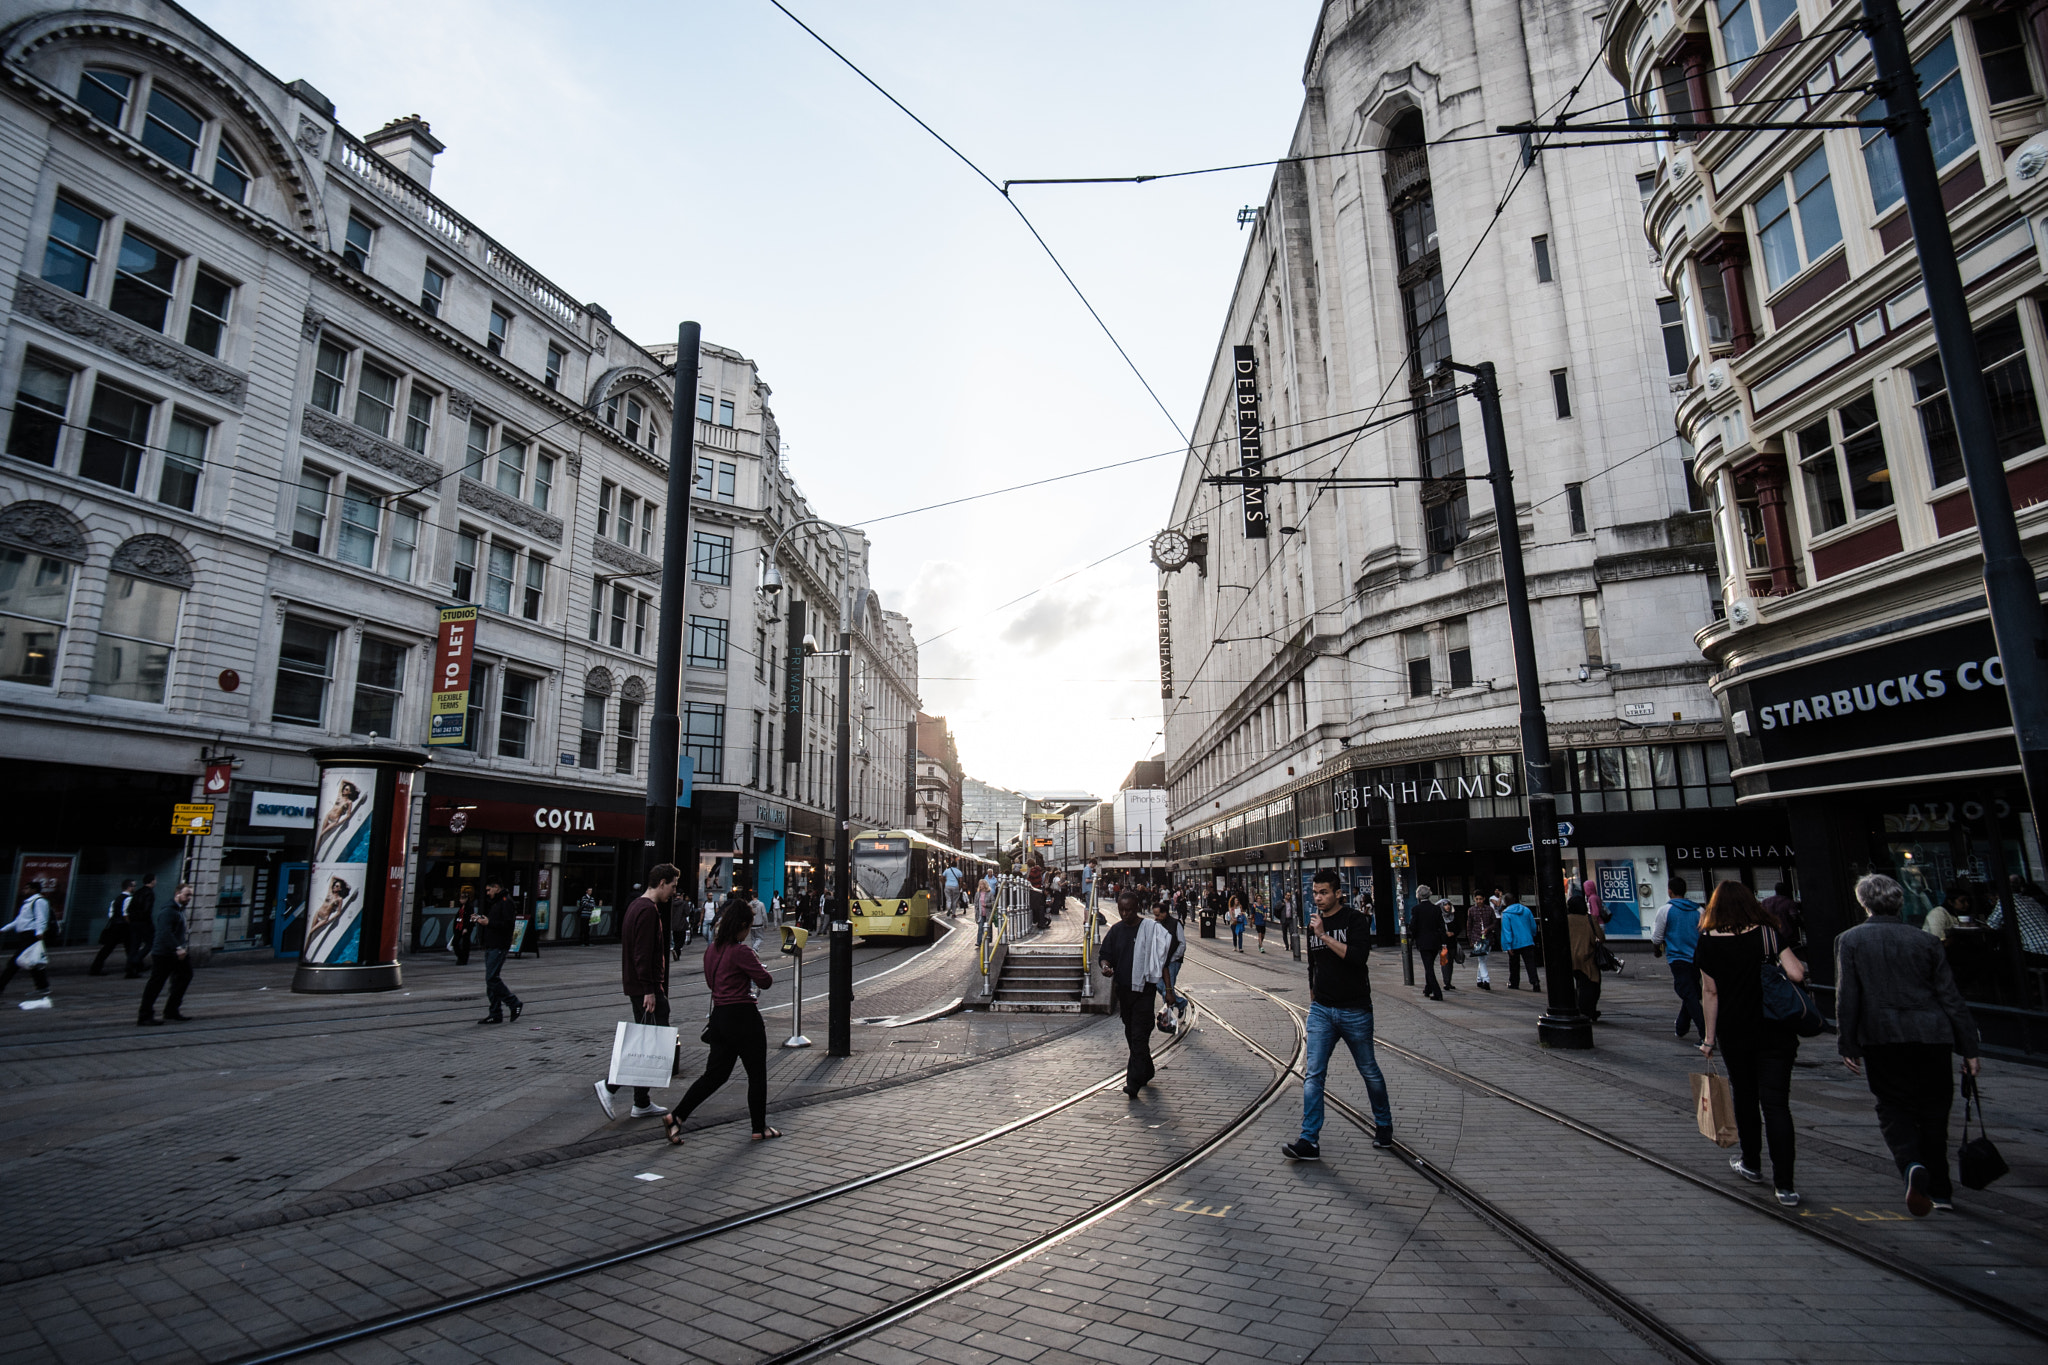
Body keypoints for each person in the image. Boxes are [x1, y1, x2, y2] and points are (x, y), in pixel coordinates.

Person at [1836, 873, 1982, 1217]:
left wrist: (1848, 1042)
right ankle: (1941, 1190)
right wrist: (1969, 1049)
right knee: (1934, 1109)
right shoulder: (1925, 941)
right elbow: (1950, 997)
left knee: (1892, 1106)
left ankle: (1911, 1162)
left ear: (1864, 903)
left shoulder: (1851, 940)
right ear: (1899, 903)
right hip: (1932, 1035)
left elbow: (1848, 997)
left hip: (1882, 1036)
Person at [1696, 880, 1805, 1207]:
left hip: (1735, 1030)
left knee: (1744, 1096)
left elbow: (1710, 993)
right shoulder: (1769, 934)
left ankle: (1751, 1163)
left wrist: (1708, 1039)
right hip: (1774, 1029)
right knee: (1777, 1104)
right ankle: (1785, 1185)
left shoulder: (1707, 942)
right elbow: (1797, 974)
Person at [1284, 868, 1395, 1159]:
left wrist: (1324, 935)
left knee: (1369, 1070)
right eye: (1315, 892)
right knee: (1313, 1074)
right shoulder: (1314, 925)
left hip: (1355, 1010)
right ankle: (1309, 1140)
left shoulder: (1355, 920)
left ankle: (1383, 1124)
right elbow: (1313, 965)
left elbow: (1358, 958)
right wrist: (1312, 994)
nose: (1318, 898)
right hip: (1322, 1010)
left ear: (1337, 893)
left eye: (1324, 892)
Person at [662, 898, 778, 1144]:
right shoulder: (742, 951)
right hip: (745, 1018)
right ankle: (759, 1127)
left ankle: (677, 1116)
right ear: (743, 926)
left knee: (714, 1076)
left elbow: (711, 983)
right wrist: (755, 966)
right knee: (756, 1075)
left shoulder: (711, 950)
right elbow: (765, 981)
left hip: (720, 1019)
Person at [597, 864, 679, 1122]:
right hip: (646, 988)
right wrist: (649, 990)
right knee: (648, 1041)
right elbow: (642, 954)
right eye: (673, 886)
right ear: (662, 882)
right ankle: (610, 1086)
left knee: (648, 1039)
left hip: (641, 986)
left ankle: (641, 1102)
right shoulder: (647, 911)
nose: (674, 892)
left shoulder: (636, 906)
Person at [1099, 891, 1163, 1096]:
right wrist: (1106, 966)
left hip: (1144, 991)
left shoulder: (1150, 929)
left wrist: (1168, 990)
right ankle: (1147, 1069)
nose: (1125, 914)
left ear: (1137, 908)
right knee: (1131, 1033)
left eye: (1129, 910)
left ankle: (1133, 1082)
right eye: (1121, 910)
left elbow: (1164, 960)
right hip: (1124, 991)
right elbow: (1105, 955)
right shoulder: (1116, 931)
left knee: (1138, 1034)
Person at [1650, 877, 1705, 1039]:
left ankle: (1705, 1032)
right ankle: (1681, 1026)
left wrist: (1657, 950)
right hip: (1697, 959)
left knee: (1689, 994)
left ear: (1669, 891)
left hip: (1677, 958)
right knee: (1692, 992)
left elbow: (1656, 938)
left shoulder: (1666, 910)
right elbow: (1704, 934)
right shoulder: (1699, 911)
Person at [137, 882, 195, 1025]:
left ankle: (171, 1010)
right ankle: (145, 1015)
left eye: (190, 896)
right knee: (156, 983)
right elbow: (165, 932)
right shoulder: (168, 911)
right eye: (187, 895)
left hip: (176, 953)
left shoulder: (180, 910)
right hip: (164, 953)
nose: (189, 898)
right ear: (178, 894)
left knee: (185, 976)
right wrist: (178, 947)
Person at [475, 878, 523, 1025]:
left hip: (499, 945)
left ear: (496, 887)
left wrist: (489, 923)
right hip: (491, 944)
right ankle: (495, 1013)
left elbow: (508, 925)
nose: (488, 893)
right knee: (491, 979)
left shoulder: (506, 901)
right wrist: (482, 920)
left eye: (489, 890)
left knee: (492, 978)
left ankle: (513, 1002)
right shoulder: (497, 902)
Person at [1, 879, 55, 1008]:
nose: (24, 890)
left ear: (34, 890)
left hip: (32, 935)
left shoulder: (39, 901)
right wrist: (3, 929)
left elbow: (41, 918)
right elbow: (19, 920)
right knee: (33, 963)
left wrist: (40, 932)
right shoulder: (28, 903)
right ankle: (43, 986)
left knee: (15, 962)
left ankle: (1, 985)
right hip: (26, 935)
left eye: (27, 888)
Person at [89, 879, 135, 975]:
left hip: (115, 926)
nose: (134, 888)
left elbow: (111, 914)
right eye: (133, 886)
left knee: (107, 948)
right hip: (124, 927)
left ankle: (95, 968)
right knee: (129, 948)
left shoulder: (116, 899)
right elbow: (126, 914)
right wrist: (131, 924)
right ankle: (132, 969)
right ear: (129, 887)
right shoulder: (129, 899)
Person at [1408, 884, 1445, 1001]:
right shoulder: (1436, 909)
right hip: (1435, 941)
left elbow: (1413, 926)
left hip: (1423, 941)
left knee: (1429, 968)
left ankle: (1437, 992)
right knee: (1429, 965)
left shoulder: (1416, 909)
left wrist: (1413, 937)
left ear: (1418, 895)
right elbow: (1441, 926)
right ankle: (1428, 988)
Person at [1499, 892, 1540, 990]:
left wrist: (1508, 946)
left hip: (1514, 942)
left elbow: (1507, 930)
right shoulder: (1526, 910)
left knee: (1514, 964)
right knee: (1530, 963)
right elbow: (1533, 925)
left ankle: (1514, 982)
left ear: (1505, 902)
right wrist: (1532, 935)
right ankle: (1535, 982)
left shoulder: (1506, 914)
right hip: (1527, 940)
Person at [1154, 899, 1187, 1018]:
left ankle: (1168, 1016)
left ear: (1165, 913)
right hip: (1161, 961)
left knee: (1168, 988)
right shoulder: (1157, 924)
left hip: (1173, 961)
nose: (1156, 917)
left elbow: (1182, 943)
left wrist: (1173, 958)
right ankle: (1181, 1003)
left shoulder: (1175, 923)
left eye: (1158, 915)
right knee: (1160, 986)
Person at [124, 873, 157, 978]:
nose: (156, 881)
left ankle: (130, 969)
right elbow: (147, 910)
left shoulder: (138, 892)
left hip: (134, 922)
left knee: (135, 945)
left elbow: (130, 909)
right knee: (150, 943)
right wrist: (149, 924)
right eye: (155, 880)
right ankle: (136, 961)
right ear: (152, 881)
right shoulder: (149, 893)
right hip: (143, 922)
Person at [1466, 891, 1498, 991]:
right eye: (1477, 899)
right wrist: (1470, 939)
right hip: (1477, 937)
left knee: (1484, 958)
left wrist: (1488, 929)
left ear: (1484, 899)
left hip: (1488, 937)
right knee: (1481, 959)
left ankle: (1479, 979)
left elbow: (1494, 922)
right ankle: (1486, 980)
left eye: (1480, 899)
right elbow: (1469, 925)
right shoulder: (1471, 910)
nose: (1479, 901)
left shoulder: (1489, 909)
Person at [1760, 881, 1803, 948]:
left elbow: (1760, 917)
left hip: (1771, 936)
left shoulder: (1765, 902)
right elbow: (1794, 917)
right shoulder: (1789, 902)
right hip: (1787, 936)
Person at [1441, 897, 1467, 991]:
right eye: (1445, 905)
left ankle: (1448, 981)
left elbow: (1458, 928)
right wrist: (1444, 933)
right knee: (1444, 963)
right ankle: (1446, 981)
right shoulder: (1440, 917)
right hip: (1443, 944)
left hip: (1452, 943)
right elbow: (1437, 930)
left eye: (1448, 905)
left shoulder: (1453, 916)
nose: (1447, 907)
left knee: (1451, 962)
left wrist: (1453, 933)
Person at [450, 888, 474, 966]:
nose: (461, 900)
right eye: (460, 899)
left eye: (462, 899)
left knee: (465, 943)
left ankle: (463, 958)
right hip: (458, 926)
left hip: (465, 927)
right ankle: (461, 957)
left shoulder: (469, 908)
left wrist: (467, 928)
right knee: (455, 943)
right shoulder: (461, 907)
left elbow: (470, 919)